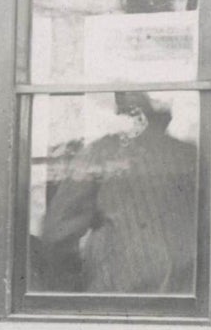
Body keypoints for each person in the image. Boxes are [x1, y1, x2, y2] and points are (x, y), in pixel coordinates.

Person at [37, 91, 196, 294]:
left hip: (119, 294)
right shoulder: (189, 154)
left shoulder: (102, 153)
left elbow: (58, 234)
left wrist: (70, 295)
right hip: (187, 296)